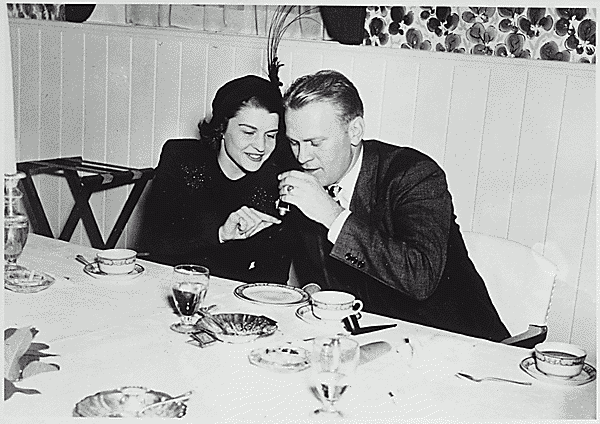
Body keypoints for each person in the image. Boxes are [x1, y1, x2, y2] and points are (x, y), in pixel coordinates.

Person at [278, 70, 510, 342]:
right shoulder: (314, 177)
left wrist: (332, 215)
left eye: (315, 143)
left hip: (455, 345)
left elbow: (420, 277)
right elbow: (320, 271)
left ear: (354, 131)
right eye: (294, 142)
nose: (303, 157)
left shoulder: (414, 174)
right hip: (373, 342)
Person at [142, 75, 296, 283]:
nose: (261, 146)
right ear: (222, 127)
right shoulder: (181, 158)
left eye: (270, 135)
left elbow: (273, 276)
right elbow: (156, 244)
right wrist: (220, 234)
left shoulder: (277, 179)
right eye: (249, 132)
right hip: (173, 287)